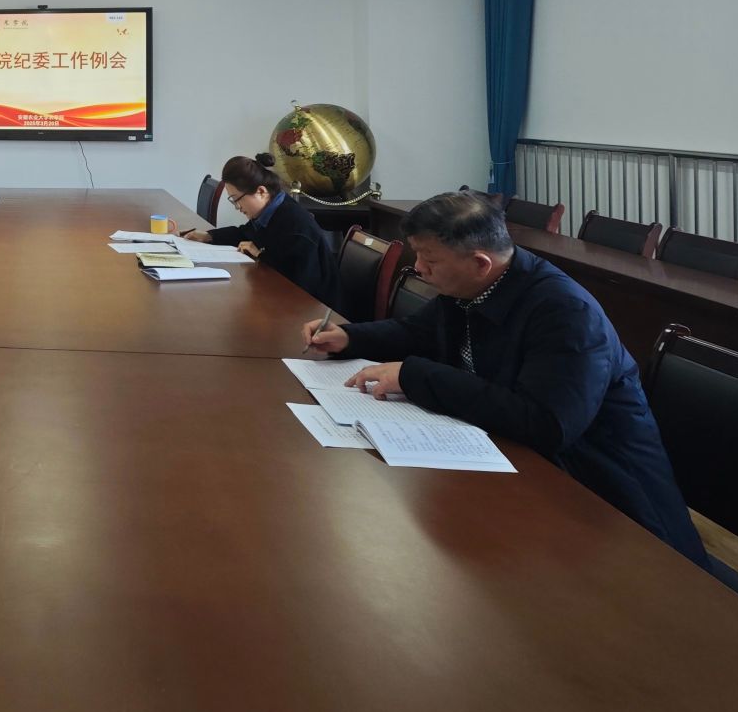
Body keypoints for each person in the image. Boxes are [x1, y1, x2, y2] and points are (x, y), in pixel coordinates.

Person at [301, 191, 706, 564]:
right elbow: (417, 332)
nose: (418, 268)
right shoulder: (475, 286)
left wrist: (415, 376)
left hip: (607, 502)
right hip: (518, 468)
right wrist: (349, 338)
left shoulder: (565, 314)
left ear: (480, 262)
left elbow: (546, 424)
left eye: (429, 259)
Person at [183, 153, 336, 303]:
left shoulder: (295, 225)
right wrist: (208, 236)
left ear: (261, 192)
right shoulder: (270, 210)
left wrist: (260, 254)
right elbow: (244, 233)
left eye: (237, 199)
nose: (237, 207)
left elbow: (298, 281)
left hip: (317, 307)